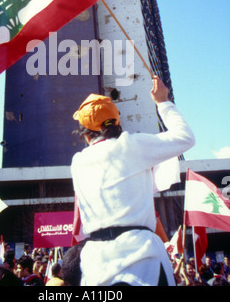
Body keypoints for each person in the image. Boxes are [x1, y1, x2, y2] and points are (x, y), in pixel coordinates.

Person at [70, 76, 195, 286]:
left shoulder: (78, 162)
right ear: (116, 122)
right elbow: (186, 137)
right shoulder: (131, 145)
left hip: (95, 263)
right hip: (143, 259)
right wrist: (163, 102)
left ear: (85, 133)